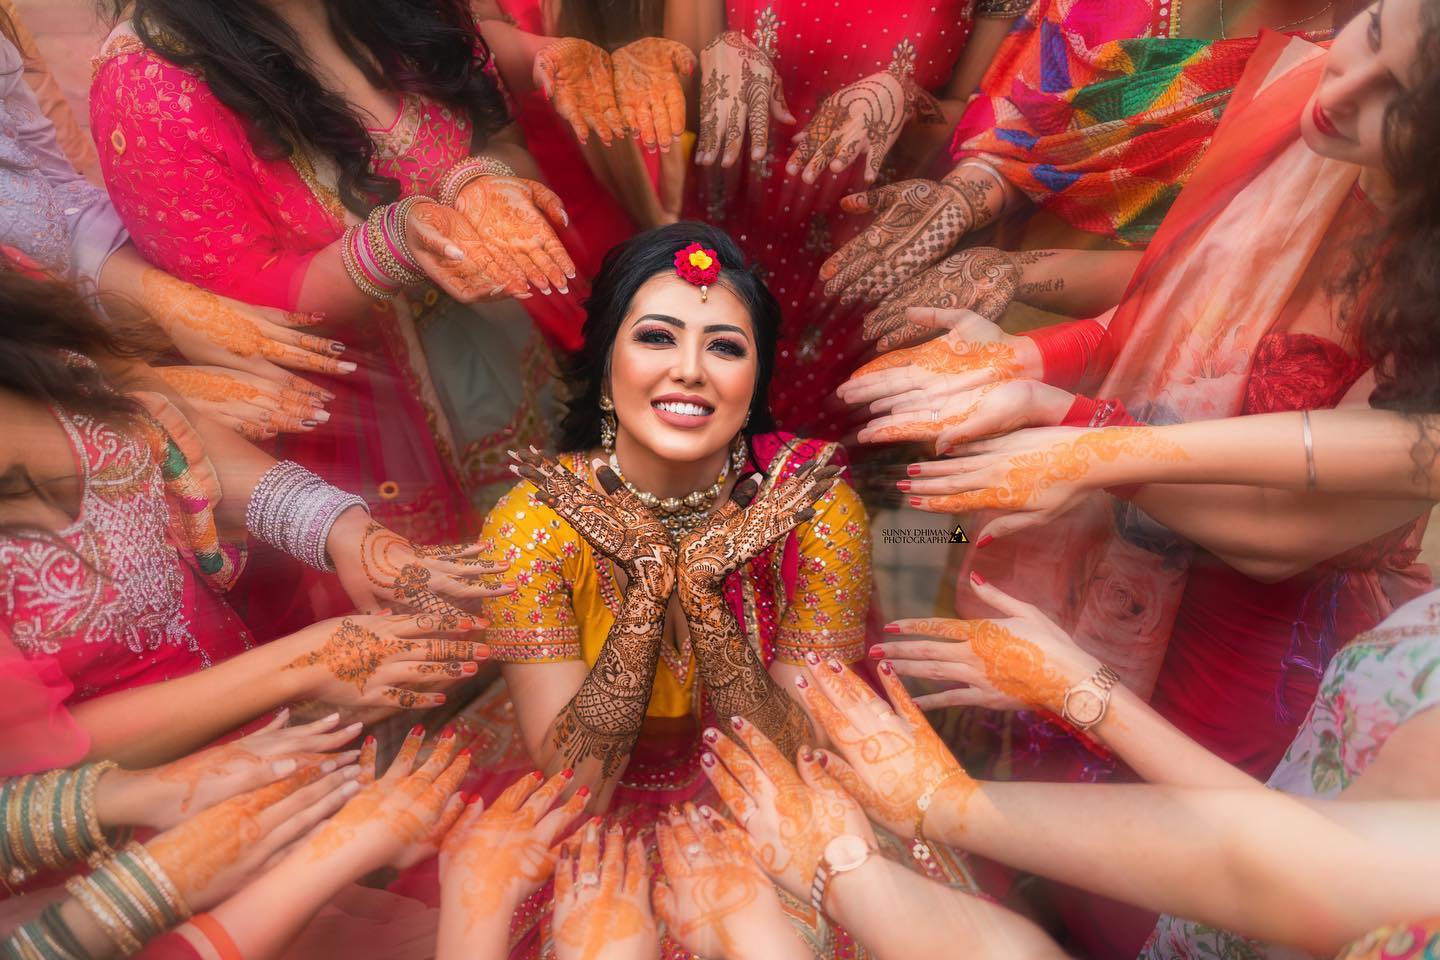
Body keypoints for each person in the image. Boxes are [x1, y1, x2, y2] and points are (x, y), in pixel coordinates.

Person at [415, 222, 966, 957]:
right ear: (606, 362)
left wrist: (704, 596)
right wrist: (649, 593)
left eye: (725, 347)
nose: (690, 370)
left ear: (753, 383)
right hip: (599, 827)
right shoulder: (533, 526)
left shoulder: (813, 509)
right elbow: (579, 788)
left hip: (764, 807)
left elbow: (786, 760)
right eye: (656, 338)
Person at [88, 0, 579, 641]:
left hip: (505, 356)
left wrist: (476, 179)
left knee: (562, 584)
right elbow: (241, 315)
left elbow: (489, 130)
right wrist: (395, 244)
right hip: (363, 429)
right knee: (472, 640)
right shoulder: (150, 82)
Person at [0, 268, 504, 771]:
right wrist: (301, 667)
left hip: (278, 733)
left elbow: (171, 428)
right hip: (152, 806)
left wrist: (340, 529)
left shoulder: (19, 307)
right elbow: (36, 747)